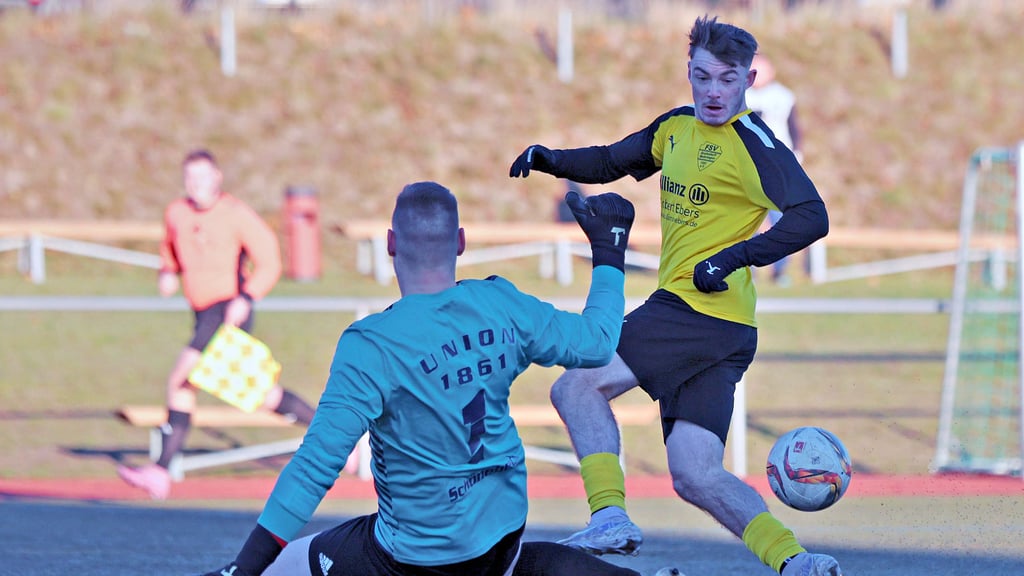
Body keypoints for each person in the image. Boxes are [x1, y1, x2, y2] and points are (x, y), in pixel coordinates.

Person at [196, 181, 672, 576]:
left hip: (417, 561)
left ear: (389, 244)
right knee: (512, 564)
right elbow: (595, 342)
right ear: (460, 242)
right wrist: (608, 253)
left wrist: (243, 568)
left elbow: (315, 467)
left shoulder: (372, 345)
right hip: (503, 536)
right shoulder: (502, 304)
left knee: (281, 569)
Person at [508, 15, 838, 576]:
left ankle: (608, 515)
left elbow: (813, 217)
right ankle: (796, 561)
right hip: (725, 328)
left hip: (696, 311)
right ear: (688, 72)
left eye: (727, 80)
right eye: (703, 77)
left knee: (575, 387)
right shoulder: (676, 130)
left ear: (749, 80)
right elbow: (613, 160)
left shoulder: (755, 144)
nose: (713, 92)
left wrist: (733, 257)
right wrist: (552, 159)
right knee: (695, 474)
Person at [117, 148, 334, 500]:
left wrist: (246, 297)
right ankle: (337, 438)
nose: (196, 185)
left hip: (228, 311)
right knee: (259, 393)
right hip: (203, 314)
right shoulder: (177, 213)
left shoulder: (236, 215)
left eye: (203, 177)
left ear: (218, 178)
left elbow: (269, 261)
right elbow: (170, 249)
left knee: (180, 380)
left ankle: (160, 471)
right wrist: (168, 272)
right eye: (190, 178)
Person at [745, 53, 804, 286]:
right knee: (745, 219)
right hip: (748, 166)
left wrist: (796, 158)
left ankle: (780, 270)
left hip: (778, 167)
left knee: (780, 220)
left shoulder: (783, 96)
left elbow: (794, 128)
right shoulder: (740, 96)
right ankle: (745, 266)